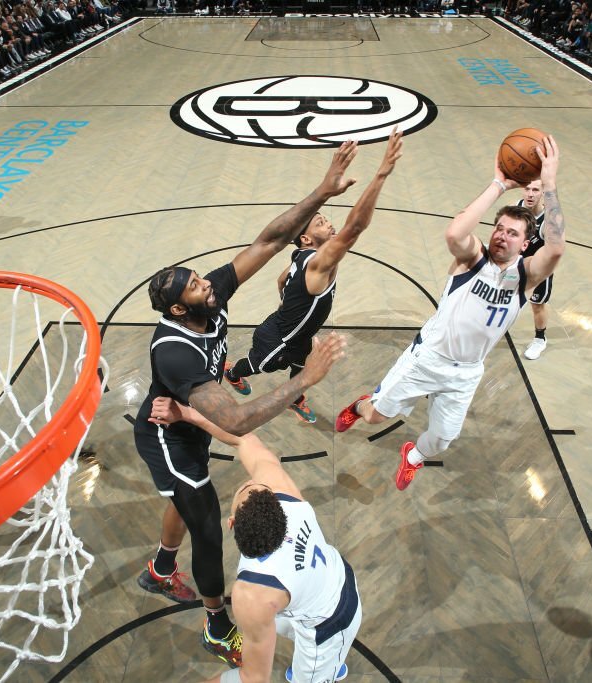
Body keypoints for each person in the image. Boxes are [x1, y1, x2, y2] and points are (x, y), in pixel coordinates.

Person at [133, 142, 357, 669]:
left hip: (192, 416)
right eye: (194, 284)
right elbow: (233, 417)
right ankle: (215, 624)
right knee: (208, 525)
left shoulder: (208, 300)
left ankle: (161, 567)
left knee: (184, 502)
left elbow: (271, 239)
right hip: (170, 437)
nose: (207, 282)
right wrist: (304, 376)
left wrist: (323, 188)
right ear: (175, 307)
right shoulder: (173, 347)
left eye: (201, 277)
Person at [335, 137, 566, 491]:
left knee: (443, 439)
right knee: (377, 417)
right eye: (499, 228)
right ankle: (365, 403)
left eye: (512, 233)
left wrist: (549, 185)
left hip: (466, 373)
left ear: (525, 244)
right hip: (428, 358)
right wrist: (499, 185)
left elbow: (556, 247)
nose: (502, 236)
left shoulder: (526, 276)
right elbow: (456, 231)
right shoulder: (472, 259)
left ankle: (412, 456)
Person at [149, 402, 361, 683]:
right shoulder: (286, 497)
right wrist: (186, 414)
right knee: (269, 620)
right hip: (328, 576)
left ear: (231, 523)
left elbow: (253, 679)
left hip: (331, 621)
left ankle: (327, 669)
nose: (253, 479)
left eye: (247, 485)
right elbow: (243, 437)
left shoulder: (251, 594)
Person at [224, 130, 404, 424]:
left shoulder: (300, 257)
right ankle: (232, 373)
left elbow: (282, 279)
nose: (328, 222)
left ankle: (295, 398)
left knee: (303, 366)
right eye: (320, 222)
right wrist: (381, 174)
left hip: (296, 333)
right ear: (306, 239)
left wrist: (289, 303)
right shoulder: (317, 263)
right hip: (277, 340)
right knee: (259, 366)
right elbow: (354, 228)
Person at [515, 179, 551, 360]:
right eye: (527, 189)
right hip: (517, 264)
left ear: (543, 192)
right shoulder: (518, 207)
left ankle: (540, 339)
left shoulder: (547, 221)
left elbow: (554, 251)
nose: (530, 194)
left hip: (538, 271)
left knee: (537, 305)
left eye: (535, 190)